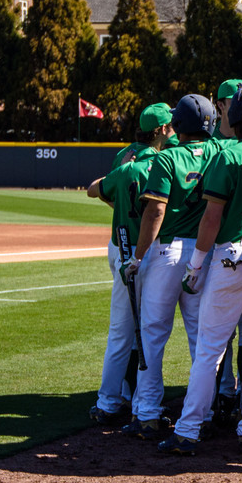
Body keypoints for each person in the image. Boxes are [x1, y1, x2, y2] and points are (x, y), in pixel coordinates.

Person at [157, 86, 242, 456]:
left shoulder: (230, 153)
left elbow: (212, 216)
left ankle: (189, 429)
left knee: (210, 349)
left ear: (234, 116)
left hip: (233, 252)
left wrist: (196, 264)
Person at [118, 95, 220, 440]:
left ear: (178, 126)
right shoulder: (221, 154)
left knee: (153, 334)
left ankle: (147, 412)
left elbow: (155, 212)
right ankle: (201, 412)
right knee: (200, 337)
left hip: (166, 253)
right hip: (203, 254)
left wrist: (137, 256)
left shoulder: (166, 158)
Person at [86, 103, 174, 425]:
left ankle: (110, 401)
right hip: (154, 251)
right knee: (150, 331)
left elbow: (96, 190)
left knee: (121, 332)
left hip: (121, 247)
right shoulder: (170, 160)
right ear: (162, 130)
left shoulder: (125, 160)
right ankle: (142, 404)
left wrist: (119, 191)